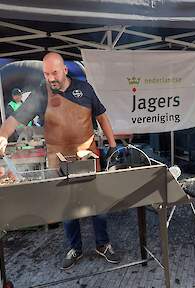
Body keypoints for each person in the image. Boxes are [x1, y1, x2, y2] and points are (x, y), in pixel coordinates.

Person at [0, 52, 120, 270]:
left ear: (64, 70)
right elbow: (13, 120)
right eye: (46, 74)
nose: (51, 78)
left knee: (97, 206)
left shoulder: (85, 89)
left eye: (54, 73)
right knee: (67, 209)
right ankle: (75, 248)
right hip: (58, 161)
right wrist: (3, 136)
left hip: (88, 157)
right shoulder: (40, 94)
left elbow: (102, 116)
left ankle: (103, 244)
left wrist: (112, 147)